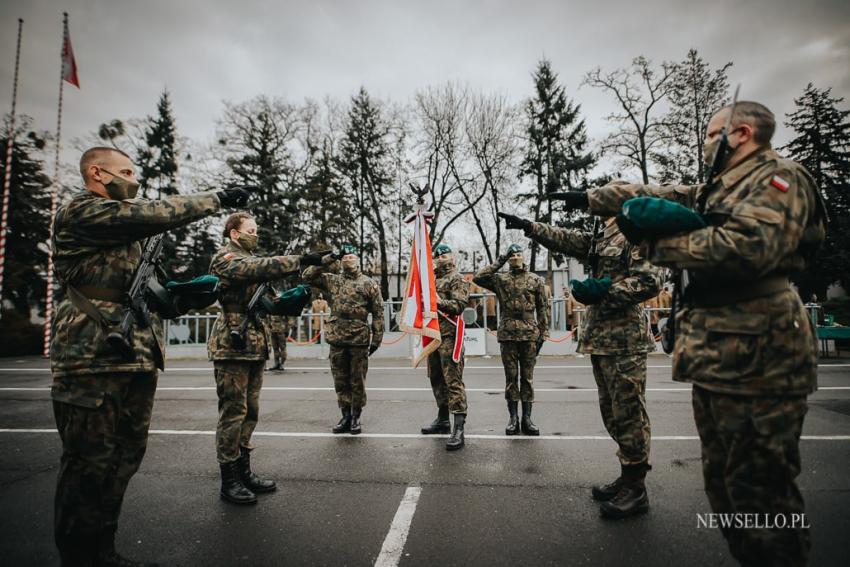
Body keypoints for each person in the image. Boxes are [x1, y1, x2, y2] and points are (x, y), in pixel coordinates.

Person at [546, 101, 827, 565]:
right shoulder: (718, 189)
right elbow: (663, 193)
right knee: (725, 486)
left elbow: (751, 249)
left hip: (763, 349)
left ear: (741, 133)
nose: (705, 142)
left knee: (761, 492)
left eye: (712, 132)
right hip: (720, 350)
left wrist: (655, 241)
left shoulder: (780, 178)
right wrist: (595, 199)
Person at [50, 146, 248, 567]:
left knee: (125, 456)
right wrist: (217, 198)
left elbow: (149, 293)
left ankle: (103, 551)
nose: (133, 179)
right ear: (97, 173)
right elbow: (149, 214)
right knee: (88, 465)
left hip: (137, 354)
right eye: (125, 171)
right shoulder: (81, 212)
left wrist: (180, 297)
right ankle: (79, 558)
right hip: (91, 356)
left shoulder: (128, 236)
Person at [499, 213, 663, 518]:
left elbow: (651, 280)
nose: (593, 201)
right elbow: (568, 239)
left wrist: (604, 292)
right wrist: (531, 228)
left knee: (629, 413)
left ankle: (637, 489)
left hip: (626, 340)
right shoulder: (603, 234)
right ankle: (628, 475)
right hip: (602, 339)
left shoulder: (637, 228)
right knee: (613, 414)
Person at [207, 212, 325, 505]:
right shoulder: (225, 257)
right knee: (233, 413)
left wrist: (296, 298)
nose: (255, 234)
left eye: (257, 229)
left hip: (254, 344)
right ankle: (229, 479)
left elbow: (270, 302)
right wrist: (300, 259)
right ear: (234, 234)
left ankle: (244, 471)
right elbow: (256, 268)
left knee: (250, 411)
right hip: (231, 343)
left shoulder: (255, 264)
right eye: (250, 229)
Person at [302, 244, 384, 434]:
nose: (348, 259)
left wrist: (376, 339)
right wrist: (330, 257)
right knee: (340, 380)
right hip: (337, 337)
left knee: (357, 380)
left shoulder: (369, 283)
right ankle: (345, 415)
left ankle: (356, 416)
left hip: (359, 339)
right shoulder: (332, 280)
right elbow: (307, 276)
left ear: (358, 260)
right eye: (344, 257)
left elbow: (378, 312)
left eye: (351, 256)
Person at [473, 243, 549, 435]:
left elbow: (542, 307)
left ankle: (527, 419)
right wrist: (500, 260)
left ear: (523, 257)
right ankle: (513, 418)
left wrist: (543, 332)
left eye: (517, 254)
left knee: (528, 378)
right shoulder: (500, 279)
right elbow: (479, 277)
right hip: (508, 335)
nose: (515, 257)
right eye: (511, 255)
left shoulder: (535, 280)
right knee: (511, 378)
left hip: (530, 334)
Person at [421, 244, 471, 450]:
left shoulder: (457, 278)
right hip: (433, 335)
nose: (441, 258)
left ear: (452, 257)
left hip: (449, 335)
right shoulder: (429, 280)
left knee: (453, 381)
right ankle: (442, 420)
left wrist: (438, 302)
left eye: (445, 254)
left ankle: (459, 429)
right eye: (438, 255)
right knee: (436, 379)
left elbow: (459, 306)